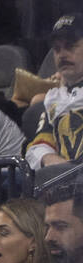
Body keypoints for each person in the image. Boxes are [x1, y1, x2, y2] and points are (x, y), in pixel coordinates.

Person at [26, 15, 83, 170]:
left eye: (70, 46)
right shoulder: (54, 98)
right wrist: (50, 158)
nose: (62, 55)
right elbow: (37, 147)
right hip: (68, 185)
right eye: (57, 49)